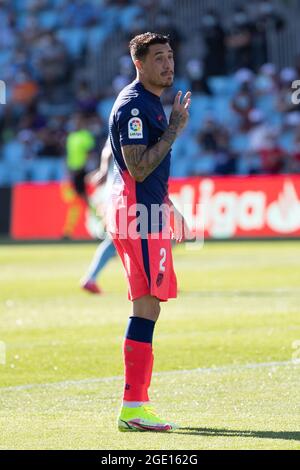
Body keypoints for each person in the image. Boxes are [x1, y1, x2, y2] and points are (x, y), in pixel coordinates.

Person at [107, 32, 192, 432]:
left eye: (170, 56)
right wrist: (175, 128)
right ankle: (133, 406)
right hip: (138, 214)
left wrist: (168, 205)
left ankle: (135, 405)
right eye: (159, 58)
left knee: (150, 305)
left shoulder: (148, 103)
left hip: (149, 210)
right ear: (139, 64)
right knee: (146, 305)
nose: (168, 64)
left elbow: (145, 173)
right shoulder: (135, 107)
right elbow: (137, 168)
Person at [81, 138, 116, 294]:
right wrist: (102, 170)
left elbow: (108, 149)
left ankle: (91, 278)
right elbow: (108, 150)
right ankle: (90, 278)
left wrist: (102, 171)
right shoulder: (131, 119)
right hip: (122, 192)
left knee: (119, 239)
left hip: (114, 193)